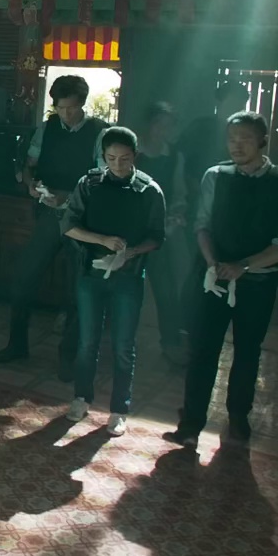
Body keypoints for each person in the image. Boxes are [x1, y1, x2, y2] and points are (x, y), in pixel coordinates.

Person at [165, 111, 278, 448]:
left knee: (247, 351)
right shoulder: (216, 176)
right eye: (232, 139)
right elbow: (202, 225)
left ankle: (239, 417)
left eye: (245, 139)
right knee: (203, 350)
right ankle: (191, 423)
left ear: (263, 141)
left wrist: (244, 266)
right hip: (214, 279)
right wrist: (212, 262)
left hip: (257, 283)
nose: (237, 145)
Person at [0, 75, 109, 378]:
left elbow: (102, 180)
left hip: (82, 219)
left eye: (71, 108)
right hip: (50, 215)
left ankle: (68, 357)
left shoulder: (99, 132)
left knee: (76, 290)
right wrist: (31, 185)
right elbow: (29, 165)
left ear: (82, 104)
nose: (66, 114)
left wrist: (68, 197)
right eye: (60, 108)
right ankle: (17, 344)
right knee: (23, 278)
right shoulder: (47, 127)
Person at [60, 127, 166, 436]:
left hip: (128, 277)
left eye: (125, 158)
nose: (118, 165)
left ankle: (119, 408)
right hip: (91, 274)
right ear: (102, 156)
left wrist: (133, 251)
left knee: (123, 345)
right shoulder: (89, 183)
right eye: (111, 158)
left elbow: (157, 237)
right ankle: (81, 397)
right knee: (87, 341)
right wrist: (102, 240)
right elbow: (69, 226)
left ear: (135, 156)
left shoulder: (148, 190)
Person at [135, 102, 192, 366]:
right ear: (149, 124)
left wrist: (177, 212)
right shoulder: (134, 152)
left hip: (161, 230)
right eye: (159, 124)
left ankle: (171, 342)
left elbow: (179, 194)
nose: (163, 130)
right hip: (132, 228)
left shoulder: (174, 156)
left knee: (167, 286)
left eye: (168, 126)